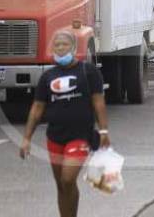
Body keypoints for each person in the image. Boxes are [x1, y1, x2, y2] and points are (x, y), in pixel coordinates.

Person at [20, 30, 110, 217]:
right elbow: (37, 108)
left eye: (65, 45)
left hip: (80, 136)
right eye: (57, 45)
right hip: (55, 137)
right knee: (61, 185)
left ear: (74, 48)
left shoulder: (88, 72)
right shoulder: (48, 77)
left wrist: (103, 131)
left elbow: (98, 103)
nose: (60, 49)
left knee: (68, 179)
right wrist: (26, 138)